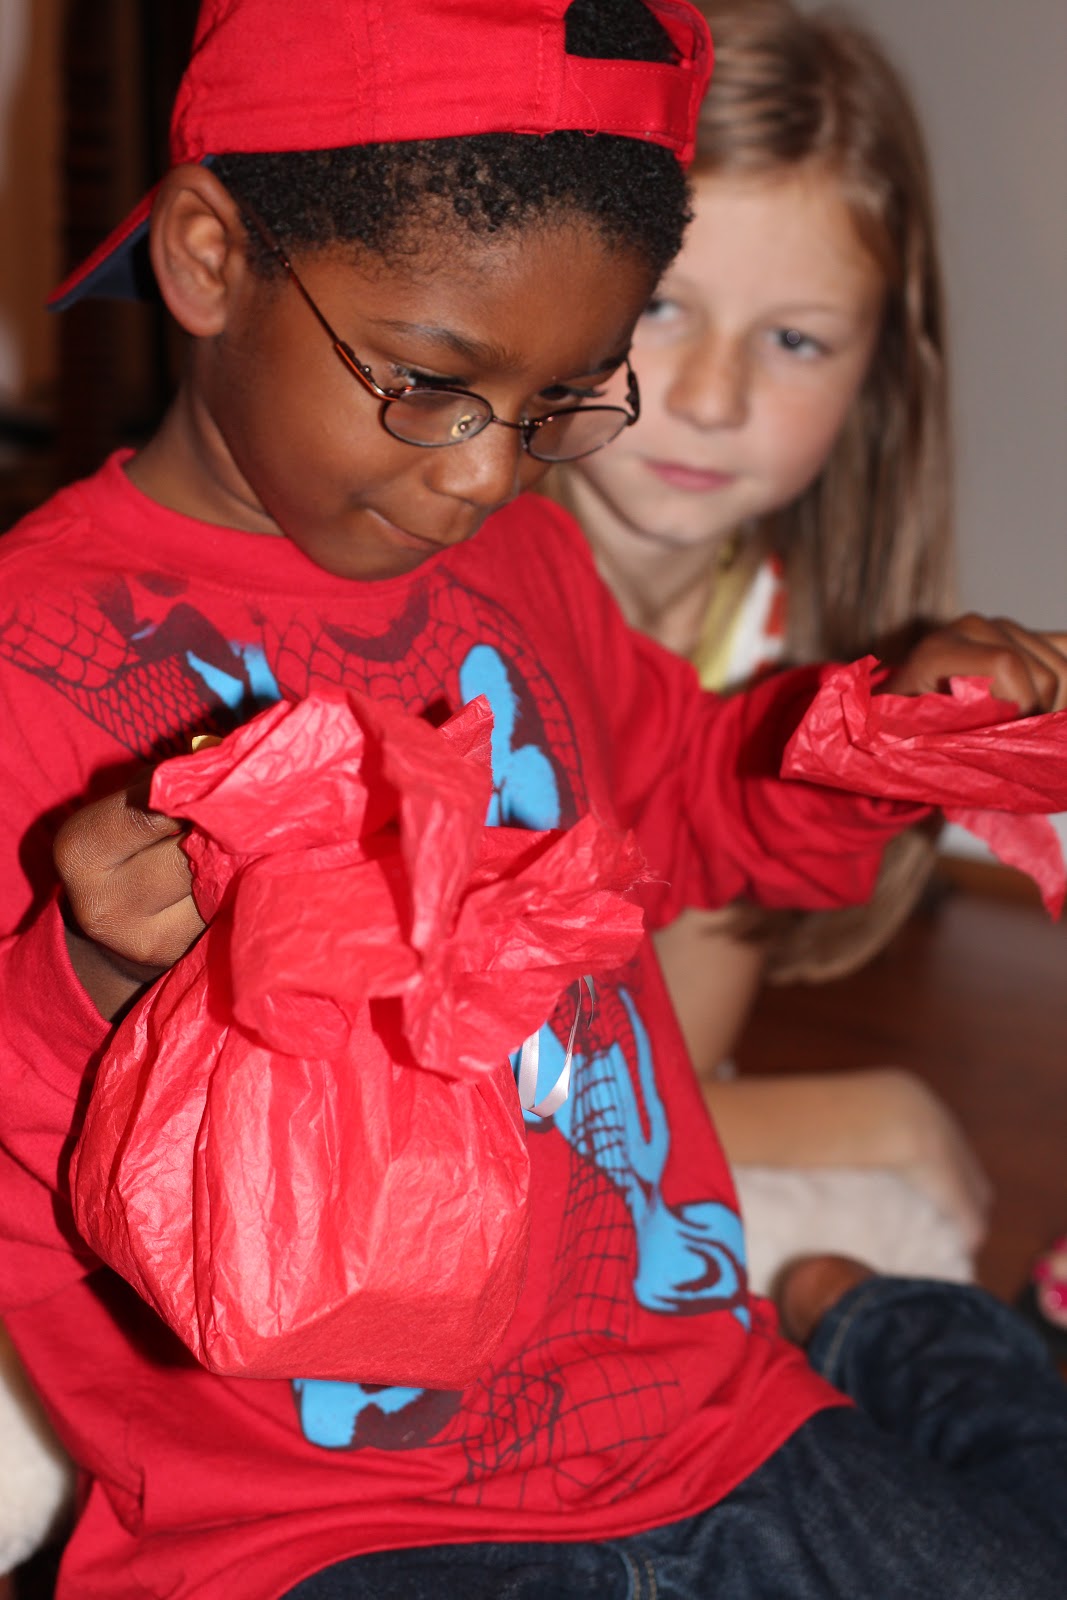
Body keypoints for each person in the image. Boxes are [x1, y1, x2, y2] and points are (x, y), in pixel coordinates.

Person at [1, 3, 1066, 1597]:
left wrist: (874, 742)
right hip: (319, 1524)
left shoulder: (522, 564)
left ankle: (897, 1334)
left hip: (704, 1423)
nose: (485, 475)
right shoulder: (32, 659)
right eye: (429, 381)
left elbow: (698, 804)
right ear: (210, 259)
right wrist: (83, 977)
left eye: (562, 397)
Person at [551, 0, 990, 1270]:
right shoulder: (434, 590)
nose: (711, 396)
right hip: (387, 1130)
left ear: (877, 372)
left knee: (905, 1244)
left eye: (792, 338)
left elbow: (665, 1084)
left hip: (601, 1102)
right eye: (659, 307)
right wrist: (873, 1111)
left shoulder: (772, 649)